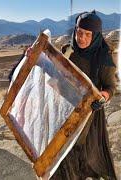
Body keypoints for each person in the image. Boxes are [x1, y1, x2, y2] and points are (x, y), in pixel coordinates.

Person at [51, 11, 117, 179]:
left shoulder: (103, 58)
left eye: (88, 34)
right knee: (62, 151)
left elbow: (110, 87)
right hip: (65, 108)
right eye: (79, 32)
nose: (82, 38)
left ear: (95, 36)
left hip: (89, 113)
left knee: (81, 153)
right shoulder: (68, 51)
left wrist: (102, 96)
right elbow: (54, 72)